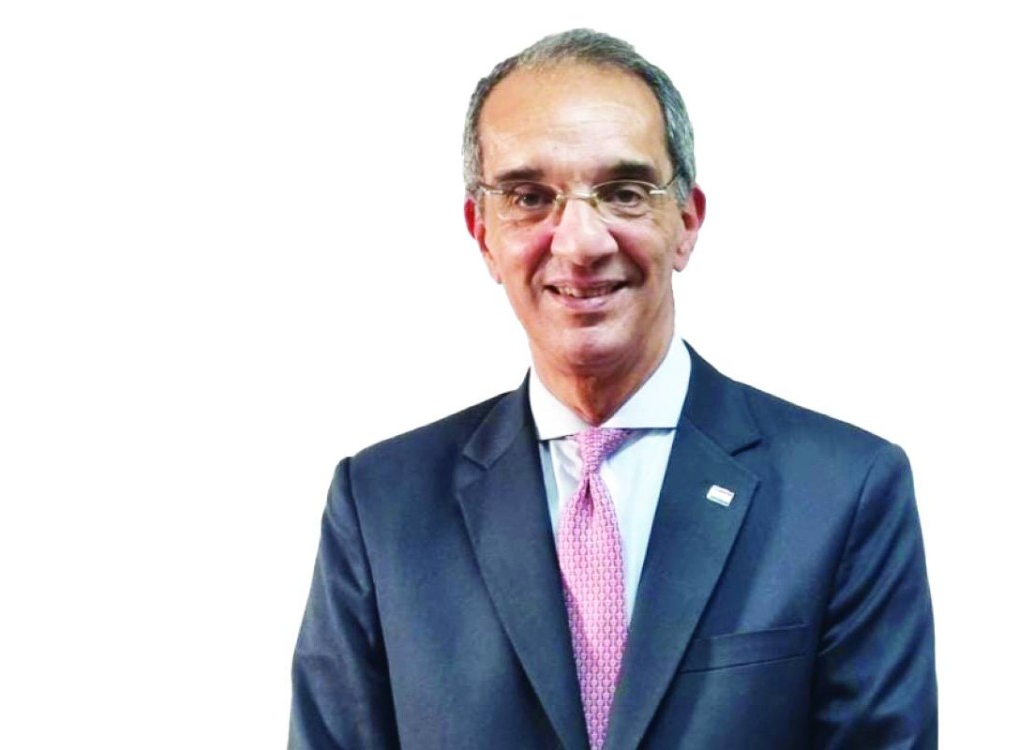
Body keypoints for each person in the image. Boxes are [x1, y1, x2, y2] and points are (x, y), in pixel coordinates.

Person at [289, 28, 936, 749]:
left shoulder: (845, 492)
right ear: (482, 234)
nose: (581, 242)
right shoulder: (380, 506)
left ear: (685, 221)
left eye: (624, 193)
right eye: (529, 197)